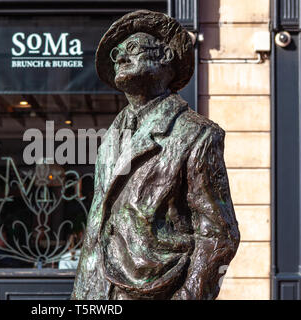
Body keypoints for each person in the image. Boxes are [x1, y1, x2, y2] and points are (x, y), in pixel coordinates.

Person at [72, 10, 240, 300]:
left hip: (155, 290)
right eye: (117, 53)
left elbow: (219, 235)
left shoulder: (196, 134)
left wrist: (188, 295)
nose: (122, 57)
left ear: (165, 58)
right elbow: (98, 223)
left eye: (133, 48)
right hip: (98, 293)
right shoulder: (113, 134)